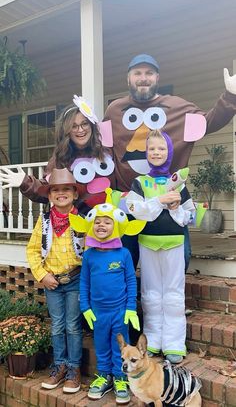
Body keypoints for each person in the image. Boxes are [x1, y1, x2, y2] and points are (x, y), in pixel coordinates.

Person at [104, 54, 236, 270]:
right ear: (128, 79)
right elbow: (104, 150)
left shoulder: (177, 107)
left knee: (176, 265)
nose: (143, 78)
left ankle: (171, 304)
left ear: (157, 78)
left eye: (149, 73)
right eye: (137, 73)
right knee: (122, 266)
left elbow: (208, 122)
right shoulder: (114, 111)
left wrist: (230, 97)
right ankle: (129, 304)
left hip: (170, 205)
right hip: (130, 204)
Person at [69, 189, 145, 404]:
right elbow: (84, 282)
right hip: (98, 312)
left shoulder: (123, 254)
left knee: (120, 346)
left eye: (107, 222)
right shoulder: (90, 254)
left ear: (117, 226)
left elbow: (131, 281)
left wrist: (131, 308)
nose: (102, 225)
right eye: (98, 222)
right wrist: (85, 307)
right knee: (101, 343)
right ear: (91, 225)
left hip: (120, 311)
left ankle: (121, 378)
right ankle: (104, 376)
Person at [126, 130, 195, 364]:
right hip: (147, 245)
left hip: (174, 245)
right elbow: (134, 209)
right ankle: (153, 340)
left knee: (174, 295)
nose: (156, 152)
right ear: (146, 153)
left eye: (161, 148)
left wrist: (175, 207)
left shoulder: (179, 183)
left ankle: (175, 343)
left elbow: (190, 216)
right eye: (152, 149)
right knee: (151, 294)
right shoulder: (140, 182)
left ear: (169, 152)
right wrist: (159, 201)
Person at [0, 95, 115, 214]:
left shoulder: (107, 151)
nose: (80, 130)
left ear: (91, 125)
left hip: (108, 221)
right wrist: (25, 182)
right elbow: (48, 189)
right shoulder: (61, 157)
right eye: (74, 126)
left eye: (84, 124)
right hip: (76, 224)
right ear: (67, 131)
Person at [26, 168, 84, 393]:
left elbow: (89, 250)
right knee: (57, 326)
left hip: (76, 281)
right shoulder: (45, 222)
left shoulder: (81, 222)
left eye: (66, 189)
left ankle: (74, 369)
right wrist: (43, 275)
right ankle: (59, 366)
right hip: (53, 283)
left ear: (75, 194)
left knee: (72, 325)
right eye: (56, 190)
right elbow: (32, 251)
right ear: (49, 196)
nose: (61, 193)